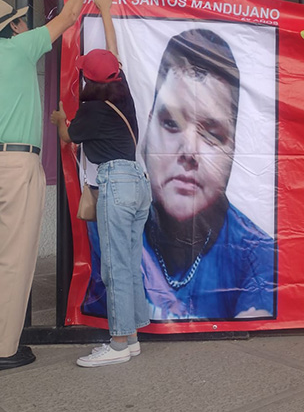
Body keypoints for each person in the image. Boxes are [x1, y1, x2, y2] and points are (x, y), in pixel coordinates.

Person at [80, 28, 276, 321]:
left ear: (234, 148)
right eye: (171, 123)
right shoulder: (106, 224)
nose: (189, 151)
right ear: (146, 132)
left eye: (212, 134)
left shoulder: (259, 257)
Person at [0, 0, 98, 376]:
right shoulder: (16, 48)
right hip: (15, 165)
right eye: (20, 21)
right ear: (12, 28)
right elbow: (68, 17)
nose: (26, 25)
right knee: (13, 260)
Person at [51, 0, 152, 367]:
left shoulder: (92, 111)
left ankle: (118, 344)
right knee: (128, 262)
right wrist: (106, 10)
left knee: (114, 265)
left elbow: (68, 137)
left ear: (90, 81)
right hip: (139, 184)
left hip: (116, 184)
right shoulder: (121, 91)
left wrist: (61, 119)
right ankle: (132, 337)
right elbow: (113, 53)